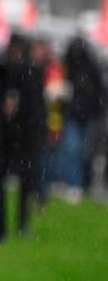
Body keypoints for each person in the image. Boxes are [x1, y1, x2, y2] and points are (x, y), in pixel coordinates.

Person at [1, 33, 47, 234]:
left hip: (22, 133)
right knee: (25, 178)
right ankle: (18, 222)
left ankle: (20, 222)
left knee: (26, 179)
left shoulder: (23, 72)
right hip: (17, 133)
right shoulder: (25, 72)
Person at [54, 37, 106, 202]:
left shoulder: (86, 70)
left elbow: (99, 95)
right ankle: (75, 183)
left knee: (82, 152)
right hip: (77, 116)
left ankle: (80, 184)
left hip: (85, 116)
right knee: (74, 150)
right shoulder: (77, 69)